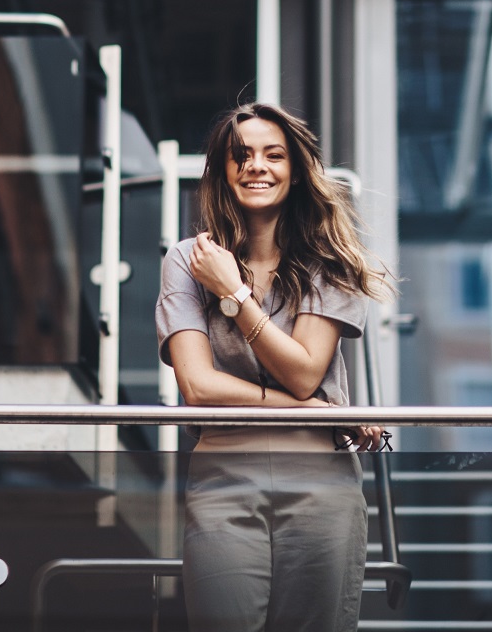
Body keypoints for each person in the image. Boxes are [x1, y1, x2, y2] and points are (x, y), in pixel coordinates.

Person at [155, 102, 394, 632]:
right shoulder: (187, 260)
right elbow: (196, 385)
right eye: (241, 155)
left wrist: (235, 294)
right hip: (223, 480)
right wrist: (321, 412)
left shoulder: (327, 262)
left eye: (273, 154)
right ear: (221, 171)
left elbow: (304, 371)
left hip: (319, 484)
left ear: (296, 169)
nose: (256, 166)